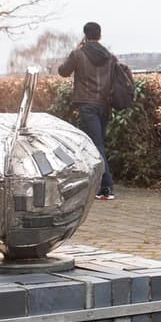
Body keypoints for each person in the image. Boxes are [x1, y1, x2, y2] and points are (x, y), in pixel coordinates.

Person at [58, 22, 117, 200]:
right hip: (104, 105)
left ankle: (106, 186)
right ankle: (98, 184)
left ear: (85, 35)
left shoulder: (78, 54)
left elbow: (63, 72)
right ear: (100, 35)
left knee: (95, 145)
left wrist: (76, 50)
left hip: (87, 105)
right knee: (98, 144)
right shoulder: (110, 57)